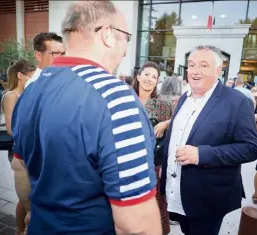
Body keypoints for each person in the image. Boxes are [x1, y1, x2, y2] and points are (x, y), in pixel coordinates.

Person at [10, 2, 161, 234]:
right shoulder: (116, 98)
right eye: (126, 38)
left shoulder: (31, 90)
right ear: (108, 35)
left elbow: (20, 166)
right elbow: (136, 225)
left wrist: (33, 211)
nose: (125, 49)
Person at [160, 45, 257, 235]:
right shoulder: (184, 98)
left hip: (209, 197)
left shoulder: (237, 102)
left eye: (204, 65)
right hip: (179, 191)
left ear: (218, 70)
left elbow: (251, 148)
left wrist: (201, 154)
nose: (195, 71)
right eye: (191, 65)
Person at [133, 61, 175, 235]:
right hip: (127, 162)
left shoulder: (163, 104)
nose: (149, 79)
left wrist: (166, 122)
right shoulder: (126, 98)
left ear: (158, 81)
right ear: (138, 76)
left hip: (153, 164)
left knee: (156, 206)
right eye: (147, 74)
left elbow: (178, 124)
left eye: (154, 77)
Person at [2, 60, 36, 235]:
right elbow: (10, 129)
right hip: (19, 150)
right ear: (20, 75)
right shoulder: (11, 96)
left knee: (27, 197)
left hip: (28, 150)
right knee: (25, 198)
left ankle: (21, 230)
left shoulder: (27, 94)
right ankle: (20, 230)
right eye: (31, 75)